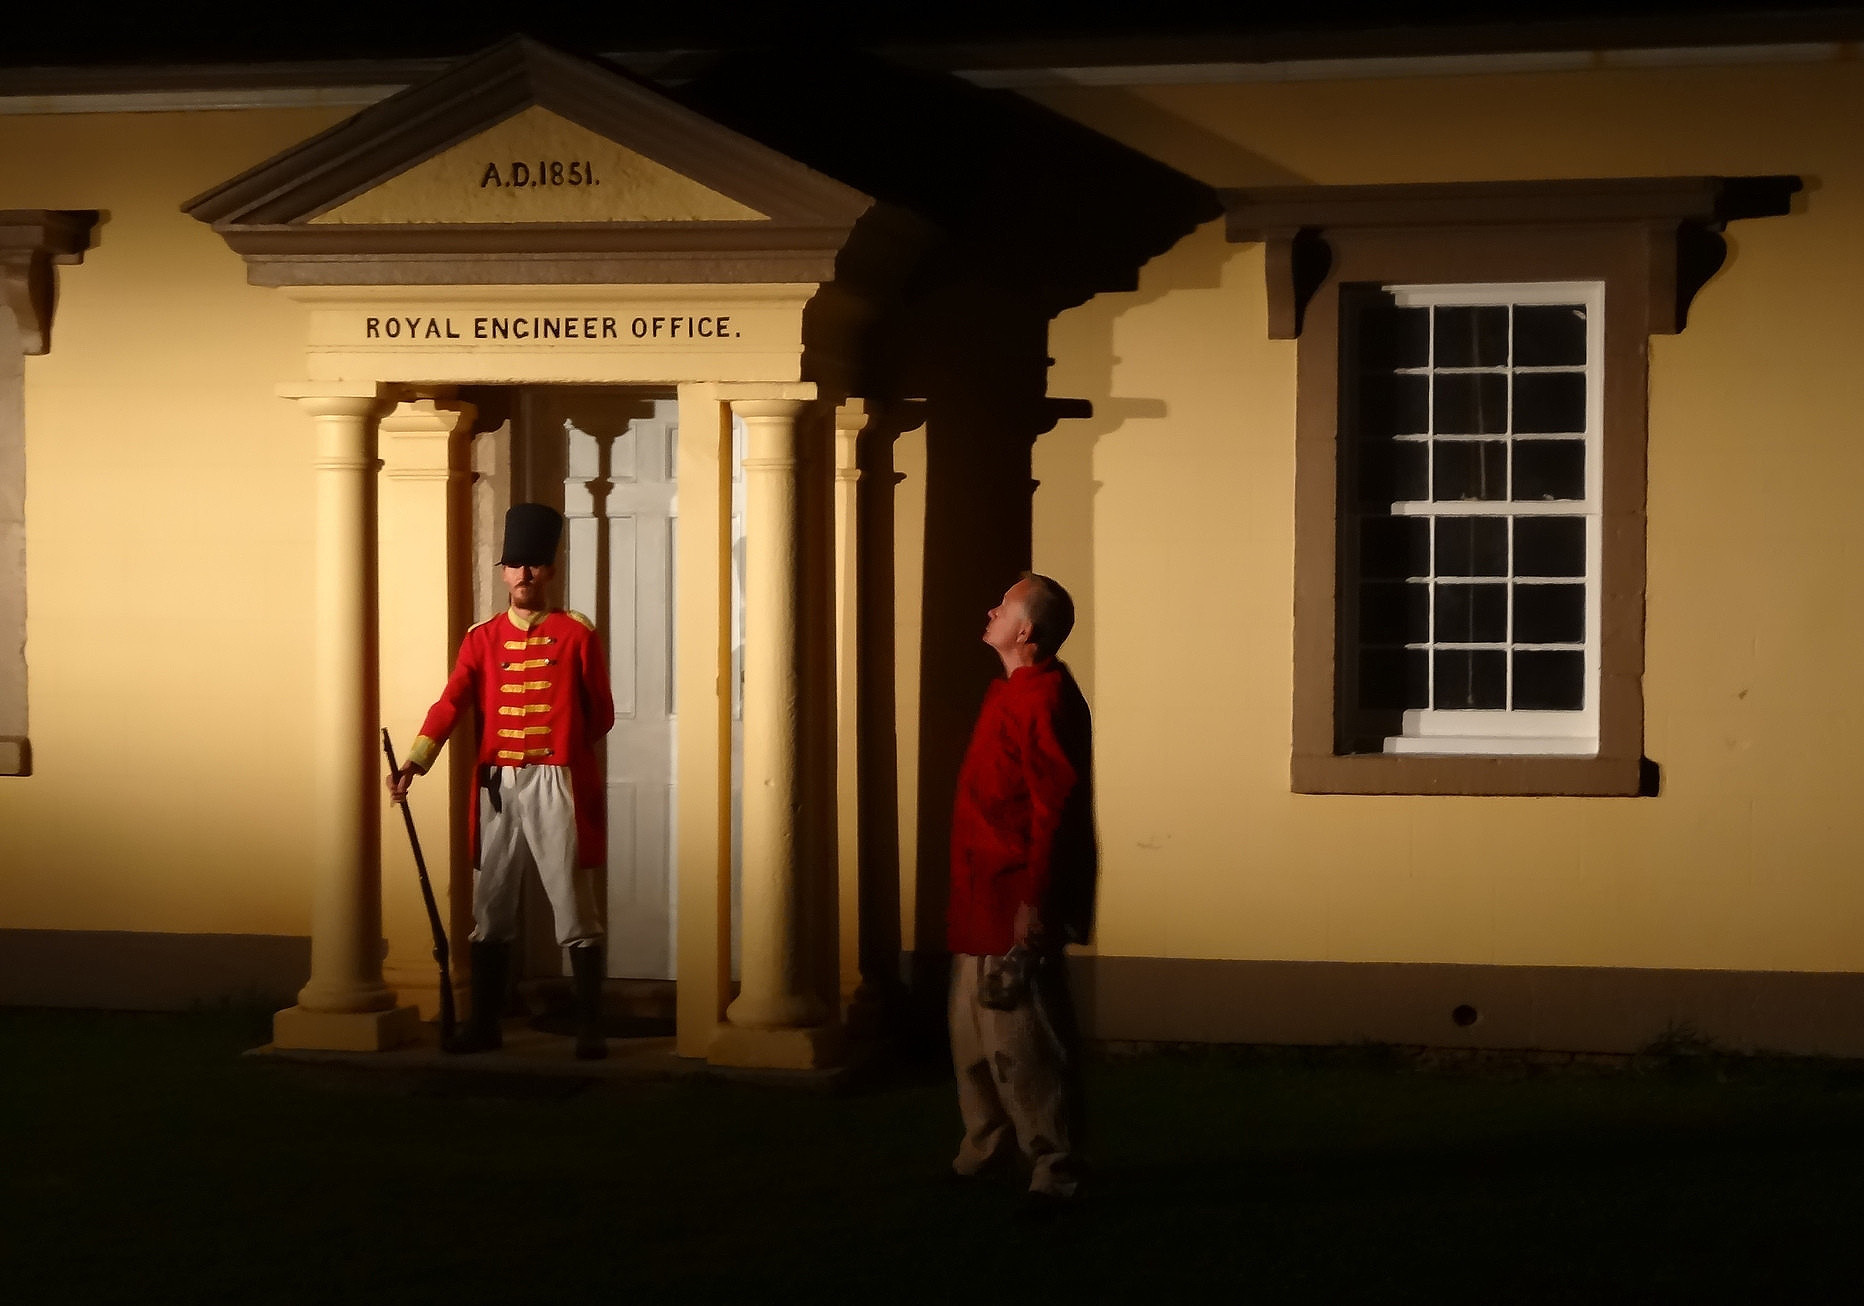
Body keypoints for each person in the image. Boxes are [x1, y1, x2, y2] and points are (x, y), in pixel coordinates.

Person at [387, 503, 615, 1059]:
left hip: (554, 779)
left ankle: (590, 1030)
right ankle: (484, 1027)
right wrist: (416, 761)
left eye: (534, 565)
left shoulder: (575, 634)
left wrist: (561, 749)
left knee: (572, 904)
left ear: (550, 571)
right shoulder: (481, 639)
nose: (524, 576)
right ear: (505, 572)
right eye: (515, 565)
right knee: (490, 908)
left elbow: (601, 713)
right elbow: (452, 702)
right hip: (498, 785)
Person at [947, 571, 1096, 1217]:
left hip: (1012, 903)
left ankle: (1054, 1169)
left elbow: (1053, 808)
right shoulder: (1011, 692)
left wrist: (1035, 901)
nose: (990, 610)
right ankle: (984, 1152)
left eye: (1003, 605)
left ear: (1025, 630)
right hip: (980, 899)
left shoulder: (1044, 699)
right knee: (973, 1042)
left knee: (1024, 1046)